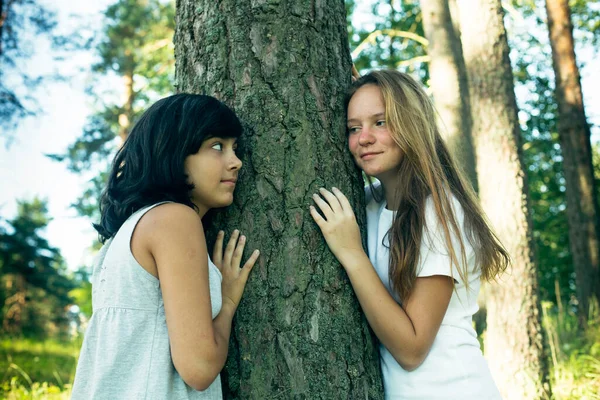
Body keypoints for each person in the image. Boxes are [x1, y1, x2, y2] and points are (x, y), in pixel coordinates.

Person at [309, 70, 509, 399]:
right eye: (354, 128)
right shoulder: (368, 205)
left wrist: (352, 254)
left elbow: (412, 349)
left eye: (381, 122)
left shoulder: (439, 213)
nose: (364, 138)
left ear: (411, 122)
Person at [71, 94, 260, 399]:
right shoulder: (175, 219)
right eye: (217, 146)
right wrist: (225, 305)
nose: (236, 161)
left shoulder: (126, 234)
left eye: (234, 148)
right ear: (174, 151)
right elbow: (198, 368)